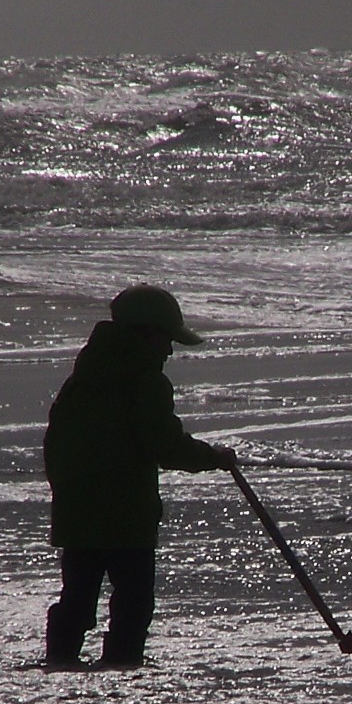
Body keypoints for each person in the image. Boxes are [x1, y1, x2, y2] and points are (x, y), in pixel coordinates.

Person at [41, 284, 235, 669]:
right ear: (146, 333)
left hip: (77, 508)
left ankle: (59, 662)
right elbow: (163, 444)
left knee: (78, 595)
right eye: (166, 340)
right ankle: (123, 667)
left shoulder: (83, 378)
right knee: (133, 599)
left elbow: (56, 444)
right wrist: (213, 457)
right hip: (126, 513)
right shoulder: (146, 381)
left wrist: (67, 492)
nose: (168, 351)